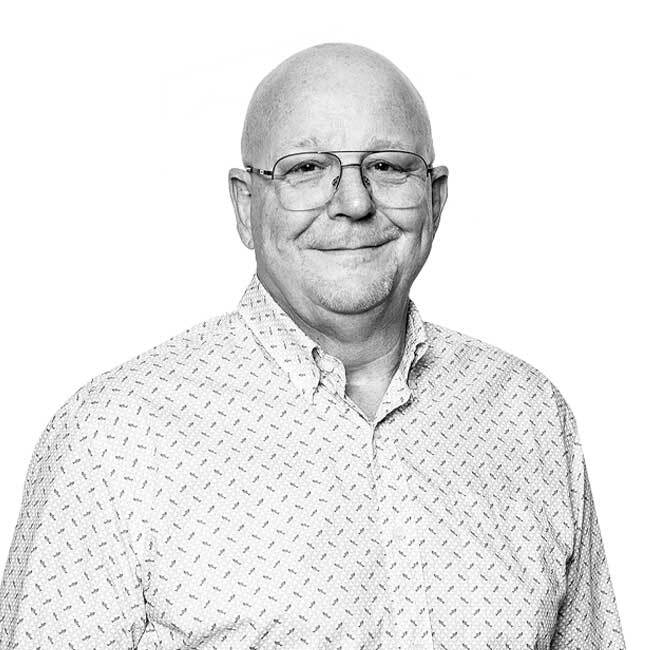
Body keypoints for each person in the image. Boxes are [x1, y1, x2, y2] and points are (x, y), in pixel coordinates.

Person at [0, 42, 626, 650]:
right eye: (306, 169)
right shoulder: (114, 438)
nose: (353, 203)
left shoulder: (529, 416)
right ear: (245, 204)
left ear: (435, 198)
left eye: (388, 166)